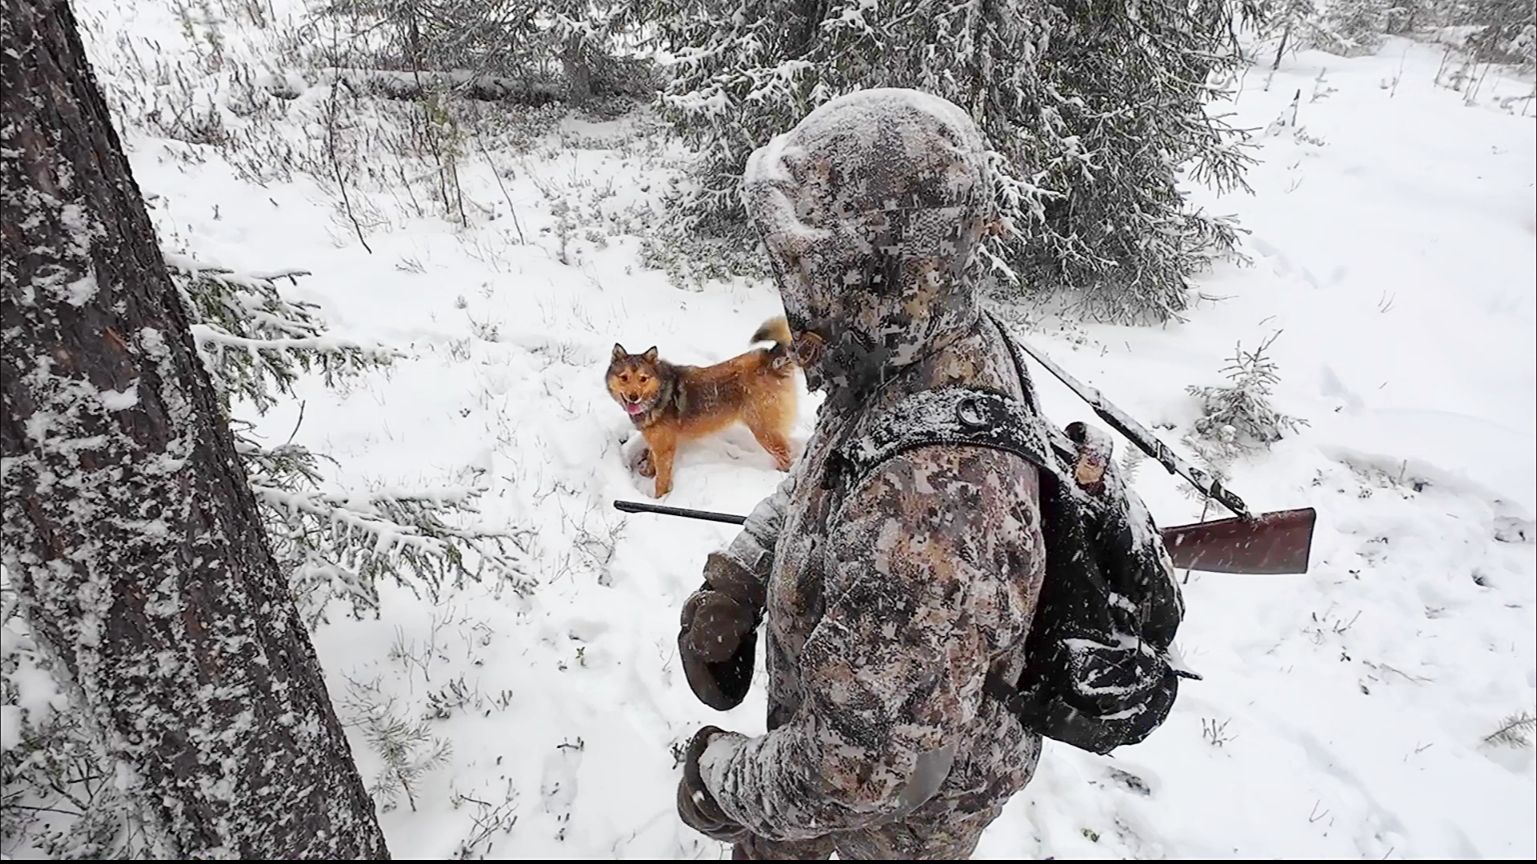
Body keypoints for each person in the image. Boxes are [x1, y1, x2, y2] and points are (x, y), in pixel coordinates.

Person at [673, 88, 1050, 860]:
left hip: (886, 825)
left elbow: (852, 775)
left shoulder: (937, 498)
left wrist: (719, 783)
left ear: (878, 267)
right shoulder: (910, 348)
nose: (797, 290)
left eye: (818, 266)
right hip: (858, 729)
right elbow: (828, 476)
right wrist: (741, 574)